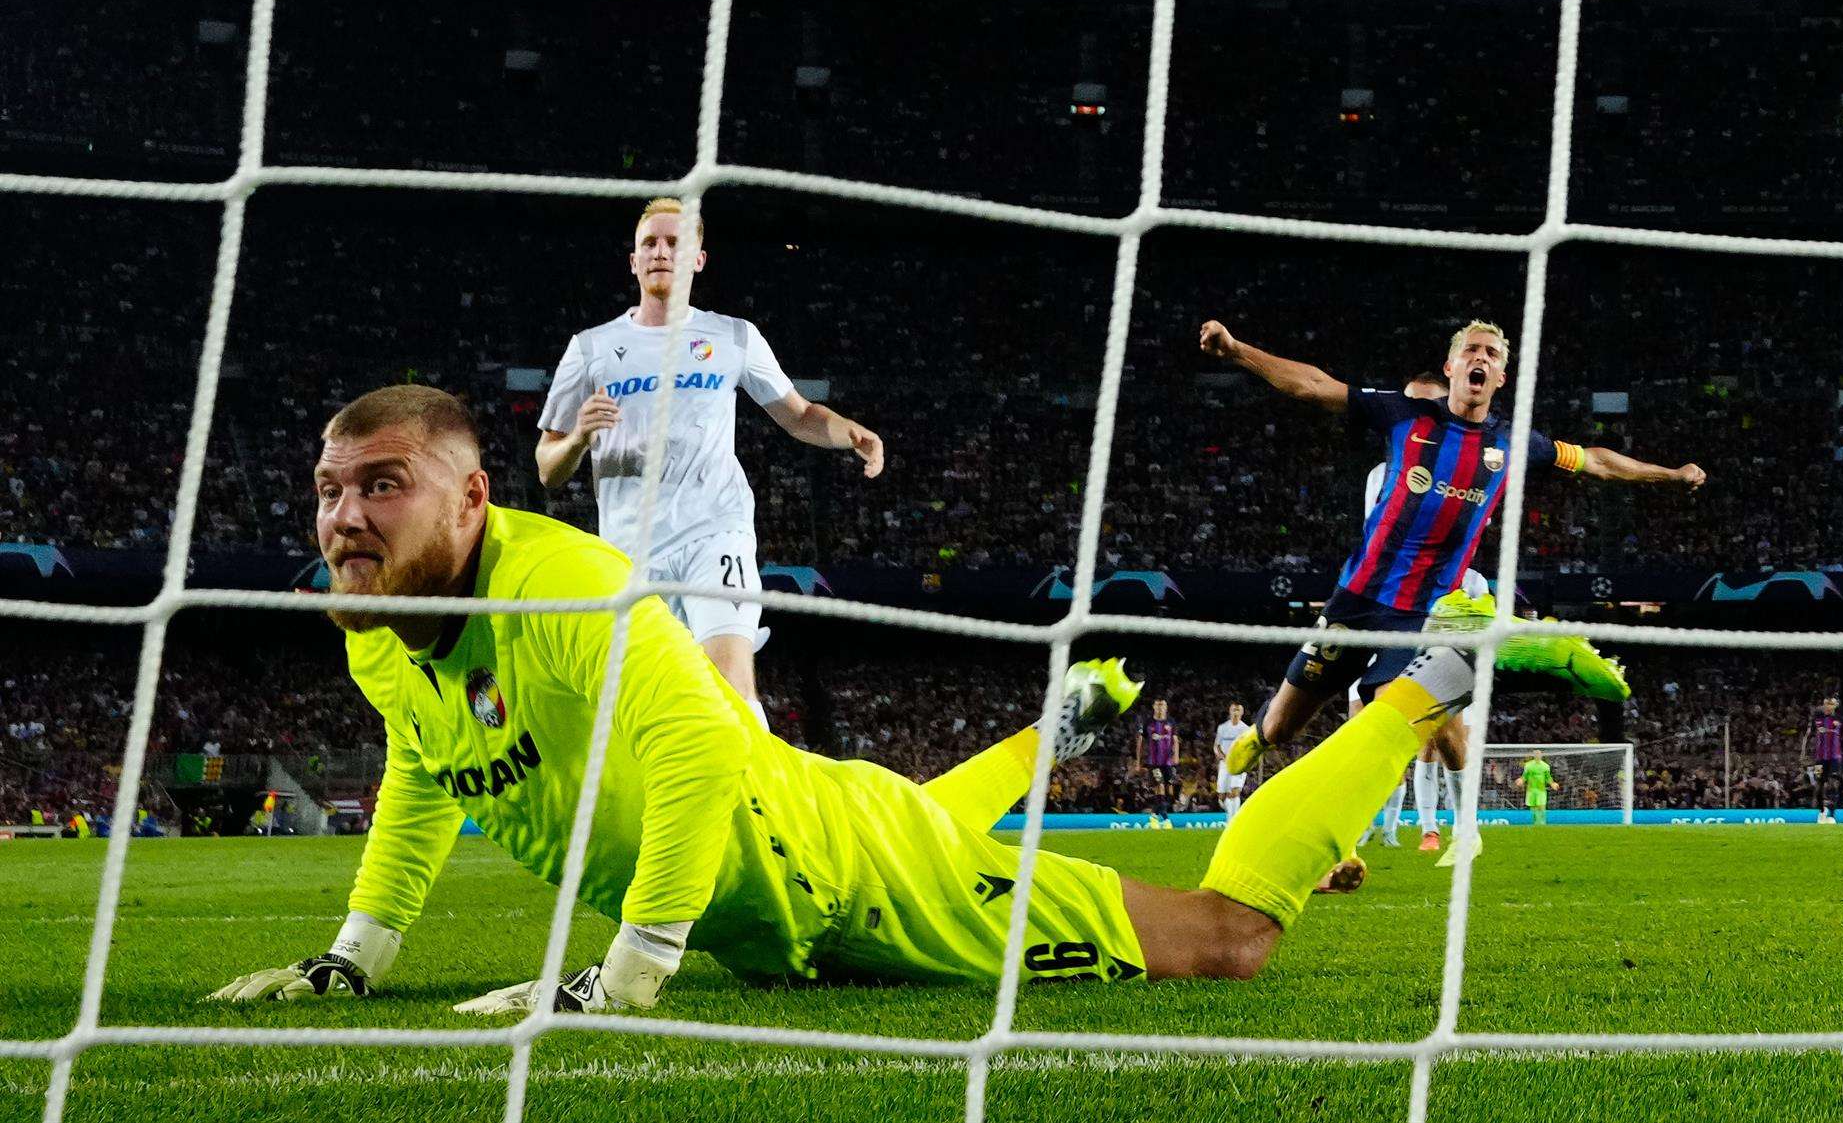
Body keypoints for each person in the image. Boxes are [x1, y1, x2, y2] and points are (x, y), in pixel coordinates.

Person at [213, 384, 1537, 1011]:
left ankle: (1432, 679)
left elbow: (699, 768)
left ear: (472, 495)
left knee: (1227, 935)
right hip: (787, 882)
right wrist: (359, 952)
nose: (343, 516)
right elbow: (426, 769)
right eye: (330, 489)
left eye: (380, 484)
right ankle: (1065, 726)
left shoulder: (570, 590)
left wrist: (626, 971)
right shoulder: (377, 626)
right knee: (897, 805)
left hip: (841, 876)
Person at [1204, 319, 1695, 781]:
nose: (1480, 358)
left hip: (1422, 616)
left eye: (1492, 354)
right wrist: (1236, 350)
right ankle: (1259, 736)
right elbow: (1312, 385)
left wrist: (1670, 476)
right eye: (1471, 350)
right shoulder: (1405, 413)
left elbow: (1597, 462)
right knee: (1286, 726)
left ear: (1501, 376)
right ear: (1451, 366)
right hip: (1355, 601)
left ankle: (1356, 824)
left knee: (1388, 715)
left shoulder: (1514, 441)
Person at [534, 198, 885, 728]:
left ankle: (763, 805)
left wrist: (849, 433)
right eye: (650, 243)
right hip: (631, 554)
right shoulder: (591, 350)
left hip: (714, 533)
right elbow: (547, 467)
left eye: (675, 243)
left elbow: (799, 414)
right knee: (657, 710)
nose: (660, 252)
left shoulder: (733, 337)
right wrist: (580, 437)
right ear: (632, 261)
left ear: (698, 259)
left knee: (730, 686)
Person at [1801, 693, 1843, 822]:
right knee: (1819, 784)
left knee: (1834, 784)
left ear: (1835, 705)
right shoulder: (1816, 720)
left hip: (1835, 758)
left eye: (1831, 704)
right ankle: (1821, 811)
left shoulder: (1841, 720)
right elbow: (1808, 736)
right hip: (1820, 759)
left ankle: (1833, 814)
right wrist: (1803, 753)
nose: (1828, 706)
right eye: (1826, 704)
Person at [1136, 699, 1180, 828]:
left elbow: (1175, 739)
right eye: (1158, 705)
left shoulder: (1171, 722)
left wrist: (1176, 755)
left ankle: (1154, 816)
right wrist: (1138, 761)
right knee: (1159, 785)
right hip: (1153, 762)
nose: (1160, 708)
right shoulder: (1148, 723)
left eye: (1163, 705)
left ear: (1166, 707)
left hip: (1167, 762)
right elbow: (1140, 742)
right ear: (1154, 707)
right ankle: (1166, 819)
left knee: (1168, 791)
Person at [1212, 702, 1251, 820]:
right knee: (1222, 796)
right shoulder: (1223, 728)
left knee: (1234, 792)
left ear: (1242, 713)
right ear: (1230, 711)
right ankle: (1229, 812)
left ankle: (1232, 820)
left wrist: (1243, 759)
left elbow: (1248, 748)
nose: (1236, 713)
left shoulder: (1246, 729)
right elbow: (1216, 746)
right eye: (1234, 710)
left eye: (1238, 710)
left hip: (1239, 764)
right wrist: (1222, 757)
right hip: (1224, 764)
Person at [1520, 750, 1558, 825]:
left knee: (1541, 806)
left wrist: (1552, 784)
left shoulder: (1545, 766)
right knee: (1533, 807)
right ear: (1533, 755)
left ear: (1541, 756)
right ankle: (1535, 823)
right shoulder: (1528, 765)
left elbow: (1548, 777)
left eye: (1539, 754)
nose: (1537, 755)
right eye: (1536, 754)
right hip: (1531, 790)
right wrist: (1521, 780)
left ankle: (1542, 823)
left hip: (1541, 790)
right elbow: (1525, 776)